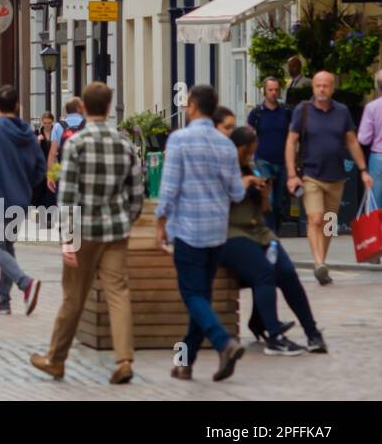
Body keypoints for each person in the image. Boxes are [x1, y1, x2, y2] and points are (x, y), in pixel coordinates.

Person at [30, 82, 142, 384]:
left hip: (83, 231)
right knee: (118, 292)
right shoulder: (124, 144)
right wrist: (126, 220)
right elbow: (137, 193)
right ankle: (124, 359)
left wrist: (67, 236)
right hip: (116, 230)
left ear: (83, 109)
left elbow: (66, 195)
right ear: (107, 108)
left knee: (73, 296)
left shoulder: (76, 145)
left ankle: (56, 359)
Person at [156, 84, 249, 382]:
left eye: (187, 103)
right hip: (217, 232)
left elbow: (169, 189)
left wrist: (160, 221)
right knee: (201, 298)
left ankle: (224, 343)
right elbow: (236, 192)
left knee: (193, 295)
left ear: (194, 105)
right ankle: (184, 362)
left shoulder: (179, 140)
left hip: (188, 230)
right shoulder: (225, 145)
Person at [219, 126, 317, 356]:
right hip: (234, 234)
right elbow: (221, 200)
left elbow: (263, 209)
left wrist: (263, 193)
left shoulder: (250, 167)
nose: (251, 155)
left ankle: (312, 332)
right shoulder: (224, 169)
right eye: (249, 151)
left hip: (260, 233)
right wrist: (244, 183)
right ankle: (275, 335)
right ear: (240, 149)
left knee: (287, 272)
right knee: (264, 272)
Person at [284, 71, 372, 286]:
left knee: (329, 224)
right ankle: (319, 263)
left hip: (337, 177)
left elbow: (351, 141)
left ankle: (322, 260)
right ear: (313, 87)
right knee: (315, 219)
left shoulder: (341, 112)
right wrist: (292, 175)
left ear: (332, 88)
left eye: (326, 85)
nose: (321, 89)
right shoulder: (303, 110)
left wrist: (363, 170)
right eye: (318, 85)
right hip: (311, 175)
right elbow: (290, 141)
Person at [0, 84, 46, 315]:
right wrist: (26, 186)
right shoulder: (27, 131)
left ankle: (25, 284)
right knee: (6, 246)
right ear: (18, 106)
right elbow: (40, 168)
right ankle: (3, 301)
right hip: (21, 199)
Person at [247, 76, 292, 232]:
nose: (273, 93)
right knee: (269, 199)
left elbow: (293, 136)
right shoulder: (256, 113)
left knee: (279, 203)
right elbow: (248, 134)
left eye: (276, 90)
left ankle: (274, 231)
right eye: (270, 90)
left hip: (283, 161)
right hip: (263, 160)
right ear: (264, 91)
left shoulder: (286, 112)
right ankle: (269, 234)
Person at [352, 68, 382, 229]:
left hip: (378, 158)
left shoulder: (372, 107)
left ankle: (377, 242)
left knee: (375, 203)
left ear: (377, 86)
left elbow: (363, 138)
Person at [48, 97, 86, 170]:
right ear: (78, 109)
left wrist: (51, 177)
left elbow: (52, 154)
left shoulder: (58, 126)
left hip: (64, 171)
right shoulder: (87, 124)